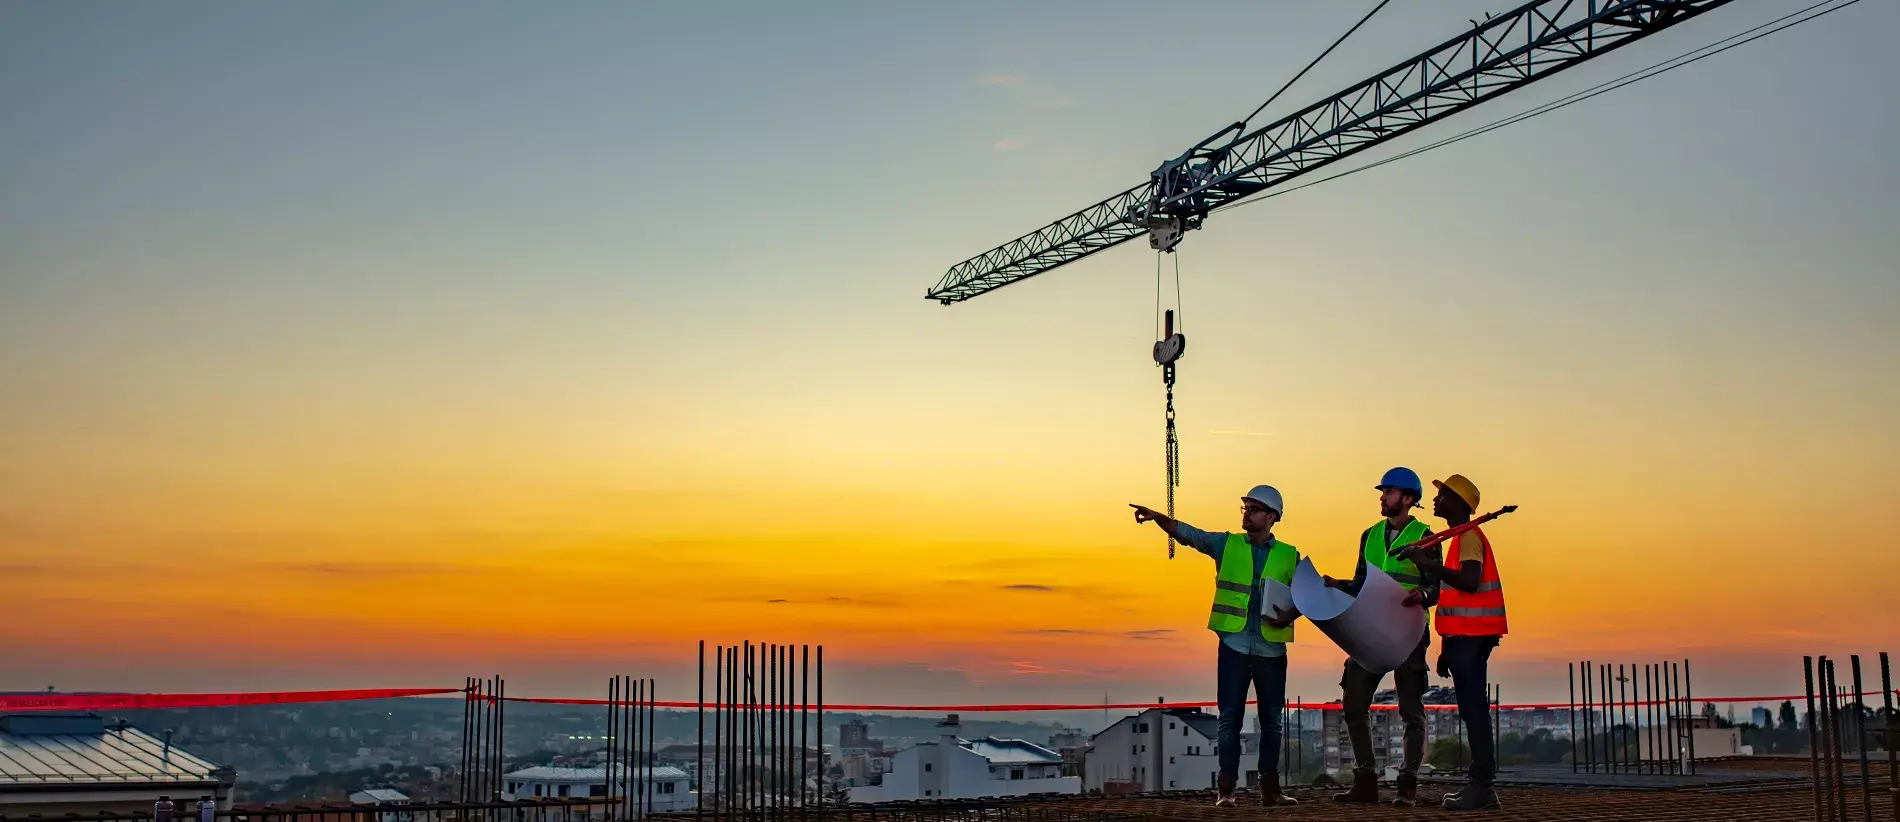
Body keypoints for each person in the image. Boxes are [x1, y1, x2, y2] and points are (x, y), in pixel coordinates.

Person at [1130, 485, 1300, 807]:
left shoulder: (1290, 555)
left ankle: (1270, 791)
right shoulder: (1228, 544)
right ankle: (1226, 791)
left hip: (1271, 651)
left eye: (1254, 508)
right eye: (1245, 508)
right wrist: (1158, 519)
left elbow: (1309, 595)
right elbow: (1190, 535)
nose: (1246, 513)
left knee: (1272, 723)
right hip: (1235, 647)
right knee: (1229, 720)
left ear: (1272, 517)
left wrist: (1291, 613)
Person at [1323, 466, 1436, 807]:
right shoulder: (1369, 535)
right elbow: (1361, 582)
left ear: (1407, 498)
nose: (1382, 498)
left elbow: (1436, 586)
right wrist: (1337, 584)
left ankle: (1406, 786)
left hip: (1408, 634)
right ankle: (1366, 783)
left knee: (1410, 711)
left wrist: (1423, 595)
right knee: (1354, 702)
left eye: (1387, 492)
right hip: (1371, 632)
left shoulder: (1426, 536)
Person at [1401, 474, 1508, 811]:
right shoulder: (1461, 538)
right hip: (1465, 639)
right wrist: (1448, 648)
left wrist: (1428, 564)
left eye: (1442, 494)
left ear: (1459, 503)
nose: (1435, 499)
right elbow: (1455, 598)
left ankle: (1483, 788)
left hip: (1472, 639)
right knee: (1472, 710)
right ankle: (1480, 786)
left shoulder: (1470, 538)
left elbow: (1470, 583)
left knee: (1475, 712)